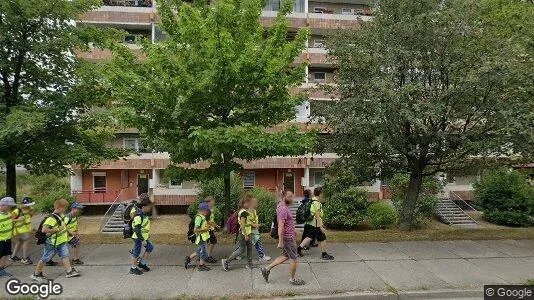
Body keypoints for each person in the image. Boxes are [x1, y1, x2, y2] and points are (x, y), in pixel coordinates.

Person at [260, 190, 305, 285]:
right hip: (287, 238)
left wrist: (293, 230)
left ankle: (266, 269)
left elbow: (286, 223)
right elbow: (281, 226)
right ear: (284, 197)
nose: (291, 199)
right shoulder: (283, 209)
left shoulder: (282, 206)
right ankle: (292, 280)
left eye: (292, 196)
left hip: (289, 235)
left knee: (286, 256)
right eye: (289, 197)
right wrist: (280, 241)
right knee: (293, 258)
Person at [31, 199, 80, 281]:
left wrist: (71, 232)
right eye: (64, 208)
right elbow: (44, 229)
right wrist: (56, 229)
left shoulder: (61, 216)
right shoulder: (51, 218)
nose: (65, 210)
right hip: (52, 242)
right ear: (58, 207)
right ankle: (36, 274)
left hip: (61, 241)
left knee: (64, 255)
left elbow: (64, 226)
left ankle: (69, 271)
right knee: (45, 258)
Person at [297, 187, 334, 260]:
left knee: (309, 237)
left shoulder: (311, 200)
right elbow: (317, 216)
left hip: (310, 223)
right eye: (322, 193)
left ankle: (298, 250)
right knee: (322, 238)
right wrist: (321, 227)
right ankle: (324, 254)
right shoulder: (317, 203)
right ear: (320, 194)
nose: (323, 195)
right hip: (316, 224)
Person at [221, 195, 253, 271]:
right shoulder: (244, 212)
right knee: (241, 249)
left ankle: (249, 264)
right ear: (244, 203)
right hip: (244, 233)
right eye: (248, 203)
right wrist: (245, 235)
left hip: (247, 232)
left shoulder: (243, 211)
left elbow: (245, 223)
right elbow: (242, 224)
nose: (250, 204)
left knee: (249, 248)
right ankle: (226, 261)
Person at [129, 196, 154, 275]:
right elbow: (137, 229)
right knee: (137, 251)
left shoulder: (144, 214)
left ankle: (142, 264)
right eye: (149, 207)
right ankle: (133, 268)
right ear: (143, 207)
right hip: (138, 237)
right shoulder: (138, 216)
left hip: (144, 236)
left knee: (150, 247)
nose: (150, 208)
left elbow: (144, 227)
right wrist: (142, 240)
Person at [184, 202, 211, 271]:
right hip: (201, 237)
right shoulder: (198, 217)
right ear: (202, 210)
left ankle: (188, 258)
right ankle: (201, 265)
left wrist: (207, 227)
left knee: (199, 250)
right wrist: (205, 229)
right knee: (203, 251)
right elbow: (195, 230)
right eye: (206, 211)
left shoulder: (202, 216)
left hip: (203, 236)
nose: (207, 212)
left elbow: (202, 225)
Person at [10, 197, 35, 265]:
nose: (29, 206)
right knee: (26, 241)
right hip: (19, 230)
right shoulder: (17, 211)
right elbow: (10, 220)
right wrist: (18, 219)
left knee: (19, 241)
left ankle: (13, 256)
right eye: (28, 205)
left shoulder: (30, 209)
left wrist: (30, 213)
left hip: (25, 229)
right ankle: (24, 258)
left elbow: (30, 216)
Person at [249, 197, 271, 262]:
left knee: (245, 245)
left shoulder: (254, 211)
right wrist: (254, 225)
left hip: (254, 230)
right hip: (251, 230)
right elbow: (246, 221)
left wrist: (257, 225)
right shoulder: (248, 211)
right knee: (258, 243)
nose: (256, 203)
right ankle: (261, 256)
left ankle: (238, 255)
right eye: (255, 202)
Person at [0, 197, 17, 277]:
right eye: (9, 206)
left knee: (4, 254)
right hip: (0, 239)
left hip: (7, 239)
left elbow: (10, 222)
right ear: (3, 205)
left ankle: (1, 270)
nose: (10, 207)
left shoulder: (9, 213)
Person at [205, 197, 219, 263]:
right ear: (209, 202)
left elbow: (211, 220)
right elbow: (206, 221)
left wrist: (215, 225)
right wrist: (215, 225)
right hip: (207, 229)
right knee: (213, 241)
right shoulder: (207, 210)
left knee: (205, 243)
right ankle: (207, 256)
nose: (214, 202)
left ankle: (204, 256)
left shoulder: (211, 209)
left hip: (210, 228)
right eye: (213, 201)